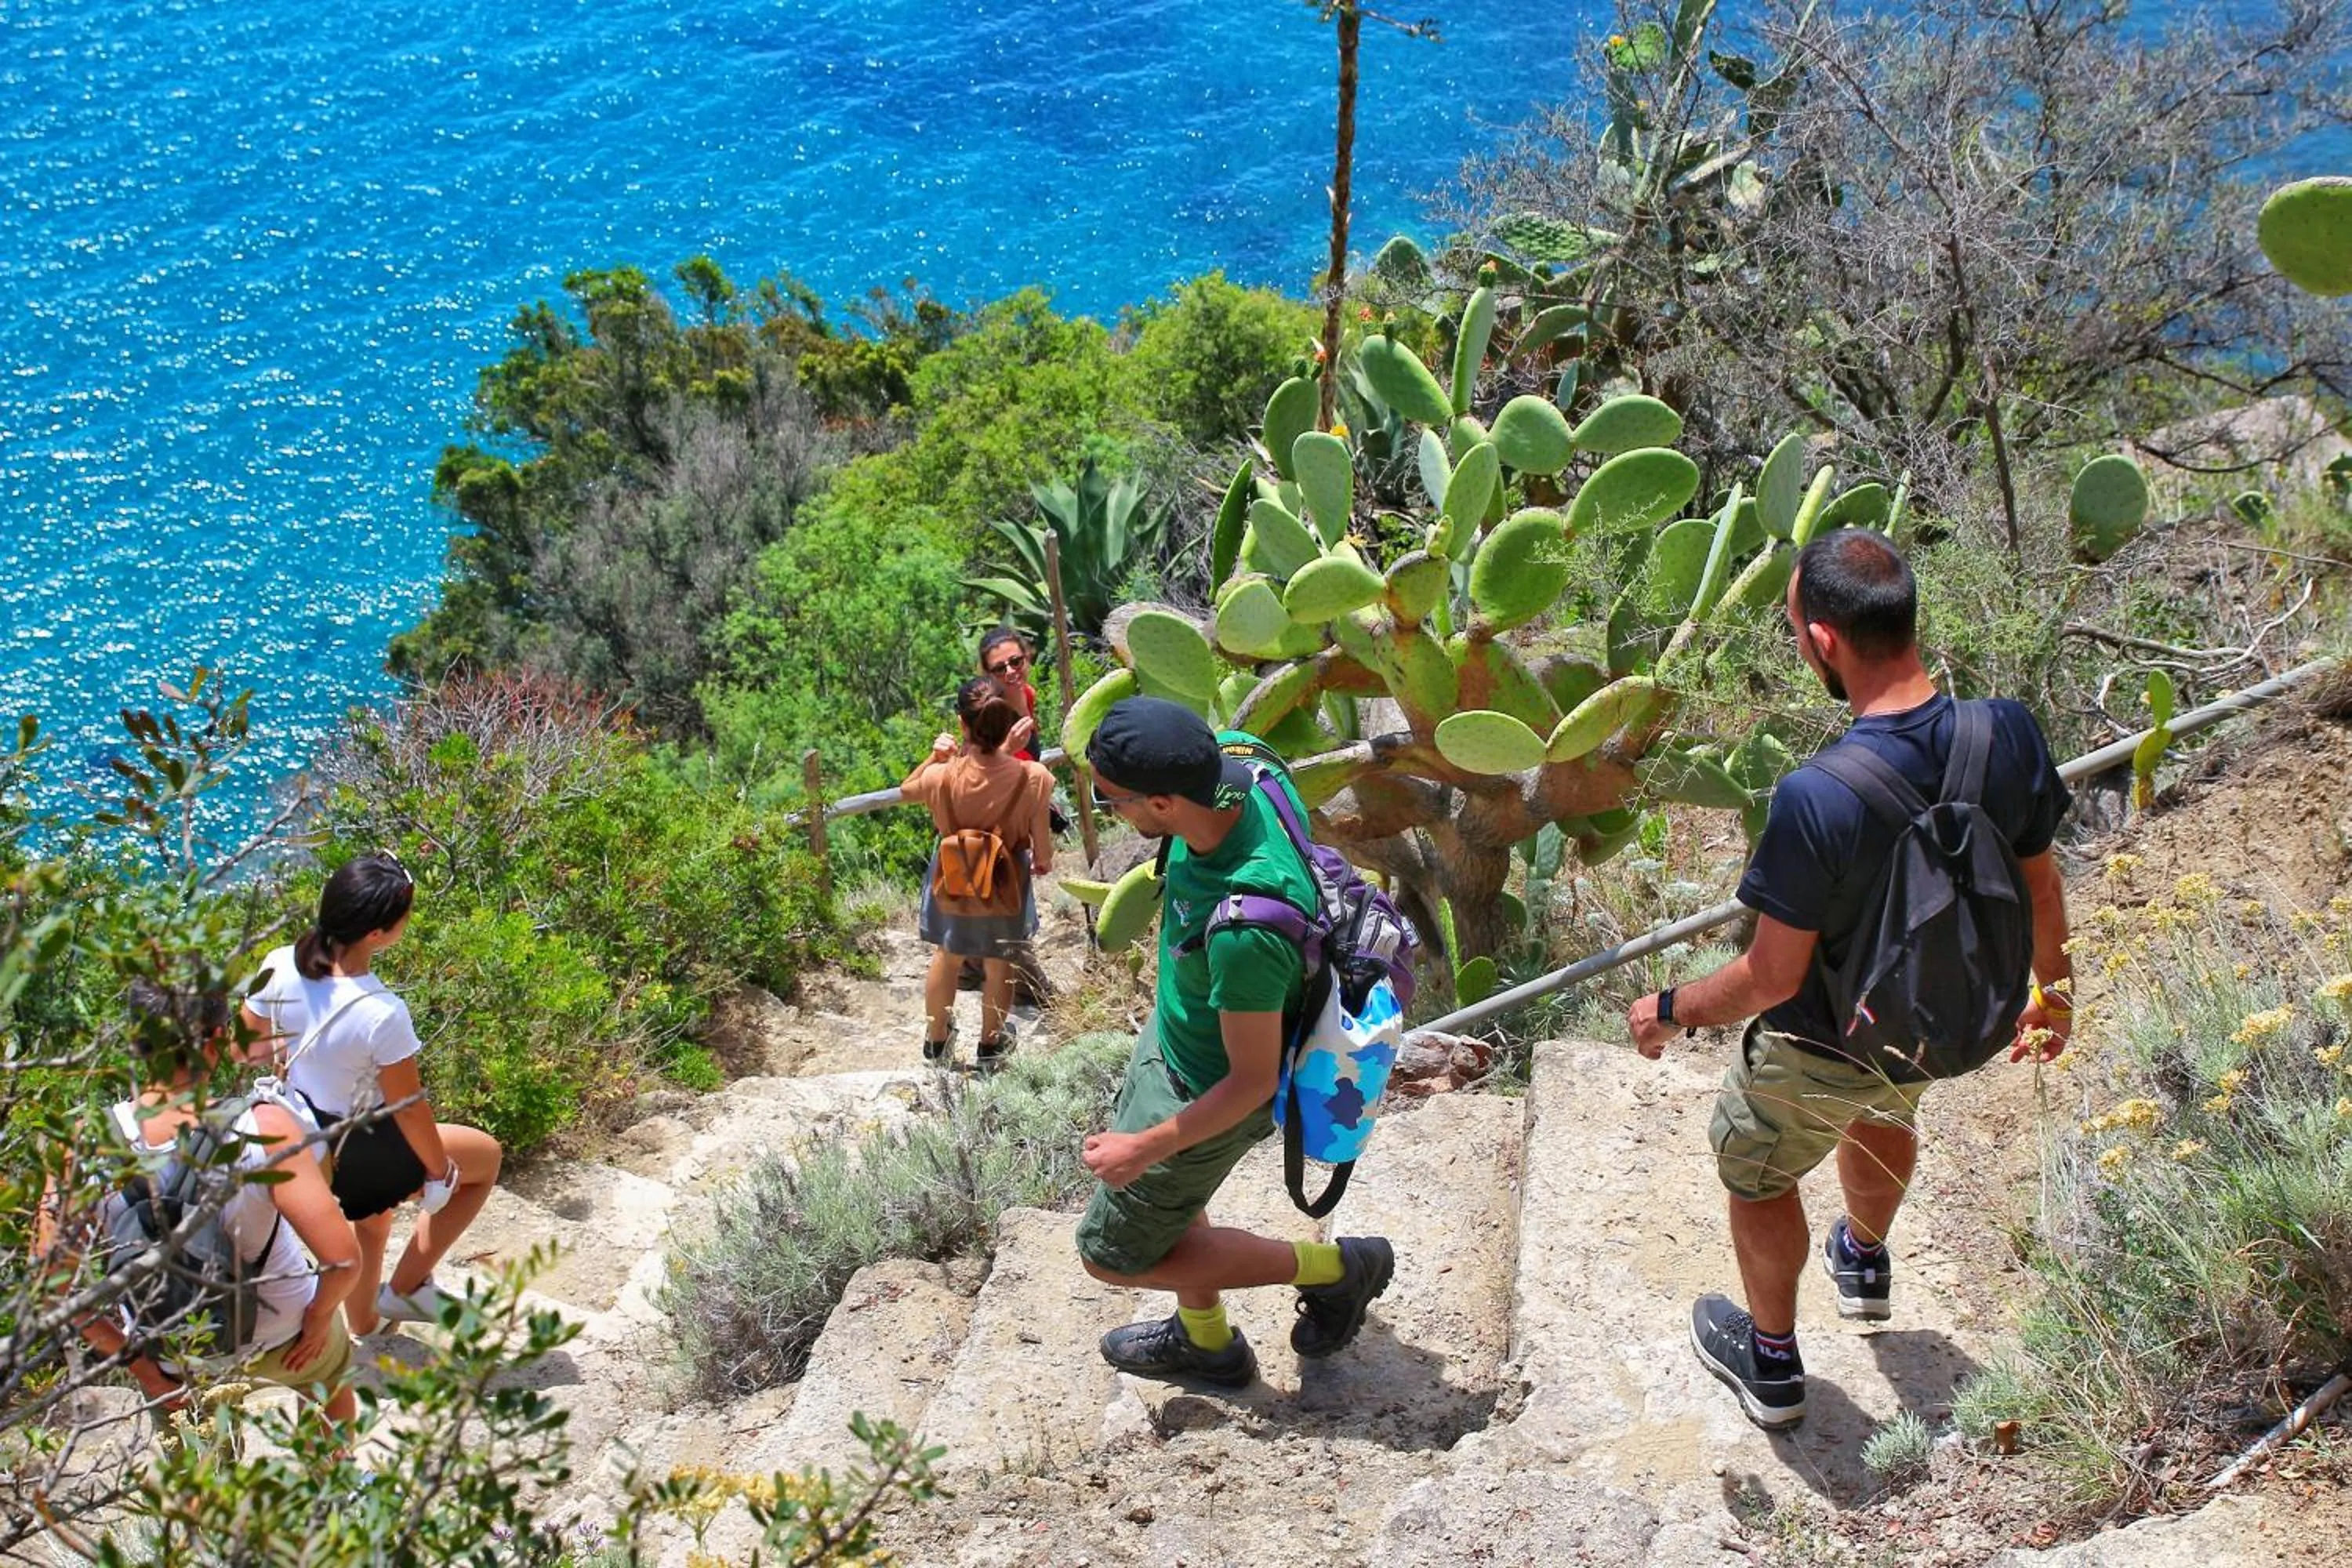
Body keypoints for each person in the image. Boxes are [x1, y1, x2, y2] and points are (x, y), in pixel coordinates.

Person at [1625, 529, 2074, 1430]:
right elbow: (2042, 881)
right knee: (1886, 1109)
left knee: (1755, 1172)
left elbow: (1766, 975)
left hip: (1820, 1040)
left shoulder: (1816, 795)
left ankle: (1774, 1364)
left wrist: (1669, 1007)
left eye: (1796, 629)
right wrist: (2053, 993)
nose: (1799, 645)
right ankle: (1864, 1258)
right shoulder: (2009, 732)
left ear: (1824, 642)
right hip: (1939, 1017)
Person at [1074, 697, 1393, 1388]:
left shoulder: (1248, 931)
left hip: (1207, 1087)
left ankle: (1339, 1270)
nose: (1113, 813)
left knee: (1111, 1257)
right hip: (1180, 1035)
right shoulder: (1247, 759)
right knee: (1179, 1215)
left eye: (1114, 801)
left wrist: (1145, 1146)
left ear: (1161, 803)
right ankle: (1206, 1340)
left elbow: (1250, 1085)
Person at [52, 980, 361, 1424]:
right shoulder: (262, 1127)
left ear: (135, 1041)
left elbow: (52, 1293)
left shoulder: (82, 1146)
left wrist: (145, 1370)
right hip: (285, 1339)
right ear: (217, 1039)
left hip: (177, 1359)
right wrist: (319, 1317)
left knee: (198, 1476)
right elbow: (344, 1261)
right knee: (330, 1375)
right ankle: (337, 1484)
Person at [244, 851, 503, 1338]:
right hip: (357, 1150)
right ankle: (406, 1289)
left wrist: (292, 1046)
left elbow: (248, 1046)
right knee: (484, 1159)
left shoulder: (279, 964)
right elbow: (409, 1110)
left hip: (296, 1133)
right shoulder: (382, 1012)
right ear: (377, 934)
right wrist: (436, 1169)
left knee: (375, 1222)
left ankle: (365, 1322)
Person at [902, 676, 1055, 1069]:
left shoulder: (942, 776)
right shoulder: (1034, 777)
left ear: (962, 724)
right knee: (998, 958)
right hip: (1006, 879)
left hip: (952, 872)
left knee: (948, 954)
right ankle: (991, 1045)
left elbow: (907, 790)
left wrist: (935, 758)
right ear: (1008, 724)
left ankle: (937, 1043)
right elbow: (1044, 852)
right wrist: (1038, 859)